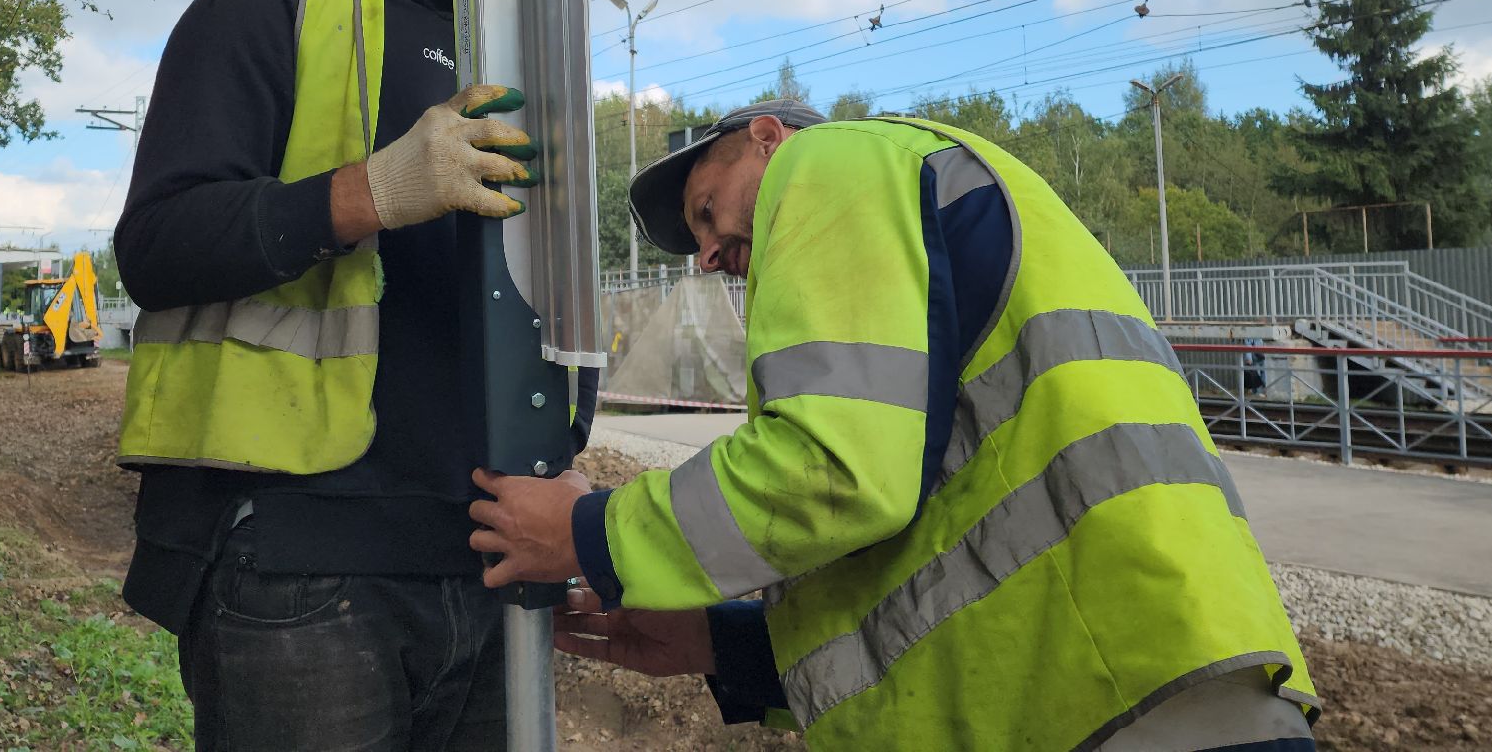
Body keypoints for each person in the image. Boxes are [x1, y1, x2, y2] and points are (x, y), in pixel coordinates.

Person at [471, 101, 1321, 750]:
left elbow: (833, 473)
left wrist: (591, 534)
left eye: (705, 210)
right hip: (1148, 673)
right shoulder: (935, 196)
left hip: (1106, 695)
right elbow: (940, 540)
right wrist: (730, 647)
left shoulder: (828, 164)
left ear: (769, 139)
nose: (708, 255)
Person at [113, 0, 617, 751]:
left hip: (492, 557)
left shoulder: (536, 73)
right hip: (302, 558)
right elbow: (158, 244)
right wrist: (370, 194)